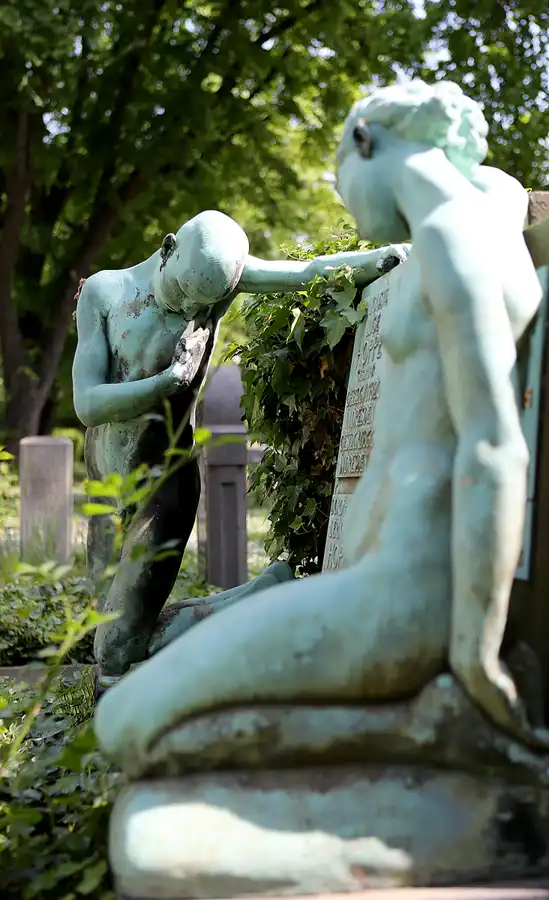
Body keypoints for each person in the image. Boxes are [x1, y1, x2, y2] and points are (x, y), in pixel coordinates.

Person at [95, 80, 549, 774]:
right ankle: (413, 724)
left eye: (341, 181)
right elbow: (494, 183)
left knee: (125, 725)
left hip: (391, 599)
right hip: (369, 581)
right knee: (135, 715)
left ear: (364, 141)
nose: (348, 204)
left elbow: (494, 451)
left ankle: (431, 727)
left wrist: (475, 649)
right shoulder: (484, 203)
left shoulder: (453, 242)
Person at [72, 209, 404, 678]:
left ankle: (121, 710)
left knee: (114, 650)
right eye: (184, 293)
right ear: (167, 251)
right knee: (101, 626)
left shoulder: (217, 290)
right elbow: (86, 403)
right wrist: (167, 383)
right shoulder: (106, 291)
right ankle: (260, 596)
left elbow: (306, 273)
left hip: (163, 486)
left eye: (203, 304)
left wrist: (381, 259)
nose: (191, 311)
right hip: (106, 484)